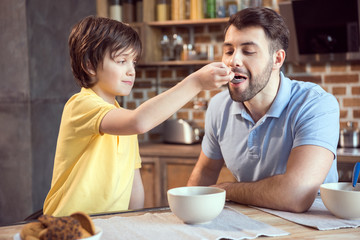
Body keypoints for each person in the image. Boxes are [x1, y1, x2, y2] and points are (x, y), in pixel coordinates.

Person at [43, 16, 234, 217]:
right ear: (89, 65)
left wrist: (135, 218)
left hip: (109, 226)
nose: (131, 71)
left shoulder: (122, 118)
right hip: (67, 225)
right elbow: (140, 121)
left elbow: (134, 186)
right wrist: (196, 82)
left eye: (133, 62)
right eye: (121, 61)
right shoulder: (81, 105)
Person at [187, 7, 340, 213]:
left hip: (313, 226)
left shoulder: (315, 104)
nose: (234, 61)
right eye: (229, 51)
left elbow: (297, 195)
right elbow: (205, 172)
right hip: (251, 220)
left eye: (248, 51)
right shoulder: (218, 106)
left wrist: (226, 190)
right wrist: (187, 211)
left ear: (277, 59)